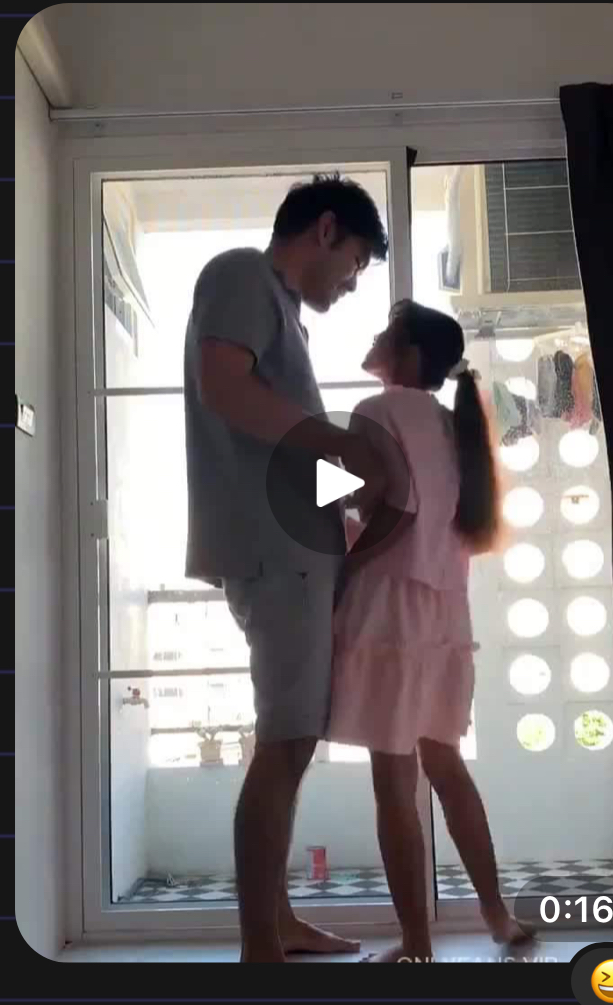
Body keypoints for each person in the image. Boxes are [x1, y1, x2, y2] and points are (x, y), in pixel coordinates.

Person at [183, 175, 389, 962]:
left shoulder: (282, 313)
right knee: (285, 742)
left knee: (292, 741)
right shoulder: (243, 273)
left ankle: (277, 923)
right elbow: (223, 388)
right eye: (356, 262)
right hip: (276, 556)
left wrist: (343, 491)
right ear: (325, 230)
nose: (352, 283)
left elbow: (274, 448)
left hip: (289, 549)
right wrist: (339, 443)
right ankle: (258, 945)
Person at [327, 300, 533, 962]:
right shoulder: (450, 423)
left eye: (385, 332)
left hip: (390, 607)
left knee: (394, 782)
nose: (372, 337)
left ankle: (416, 941)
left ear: (409, 354)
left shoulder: (376, 410)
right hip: (446, 610)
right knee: (445, 766)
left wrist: (344, 562)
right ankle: (497, 915)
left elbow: (394, 509)